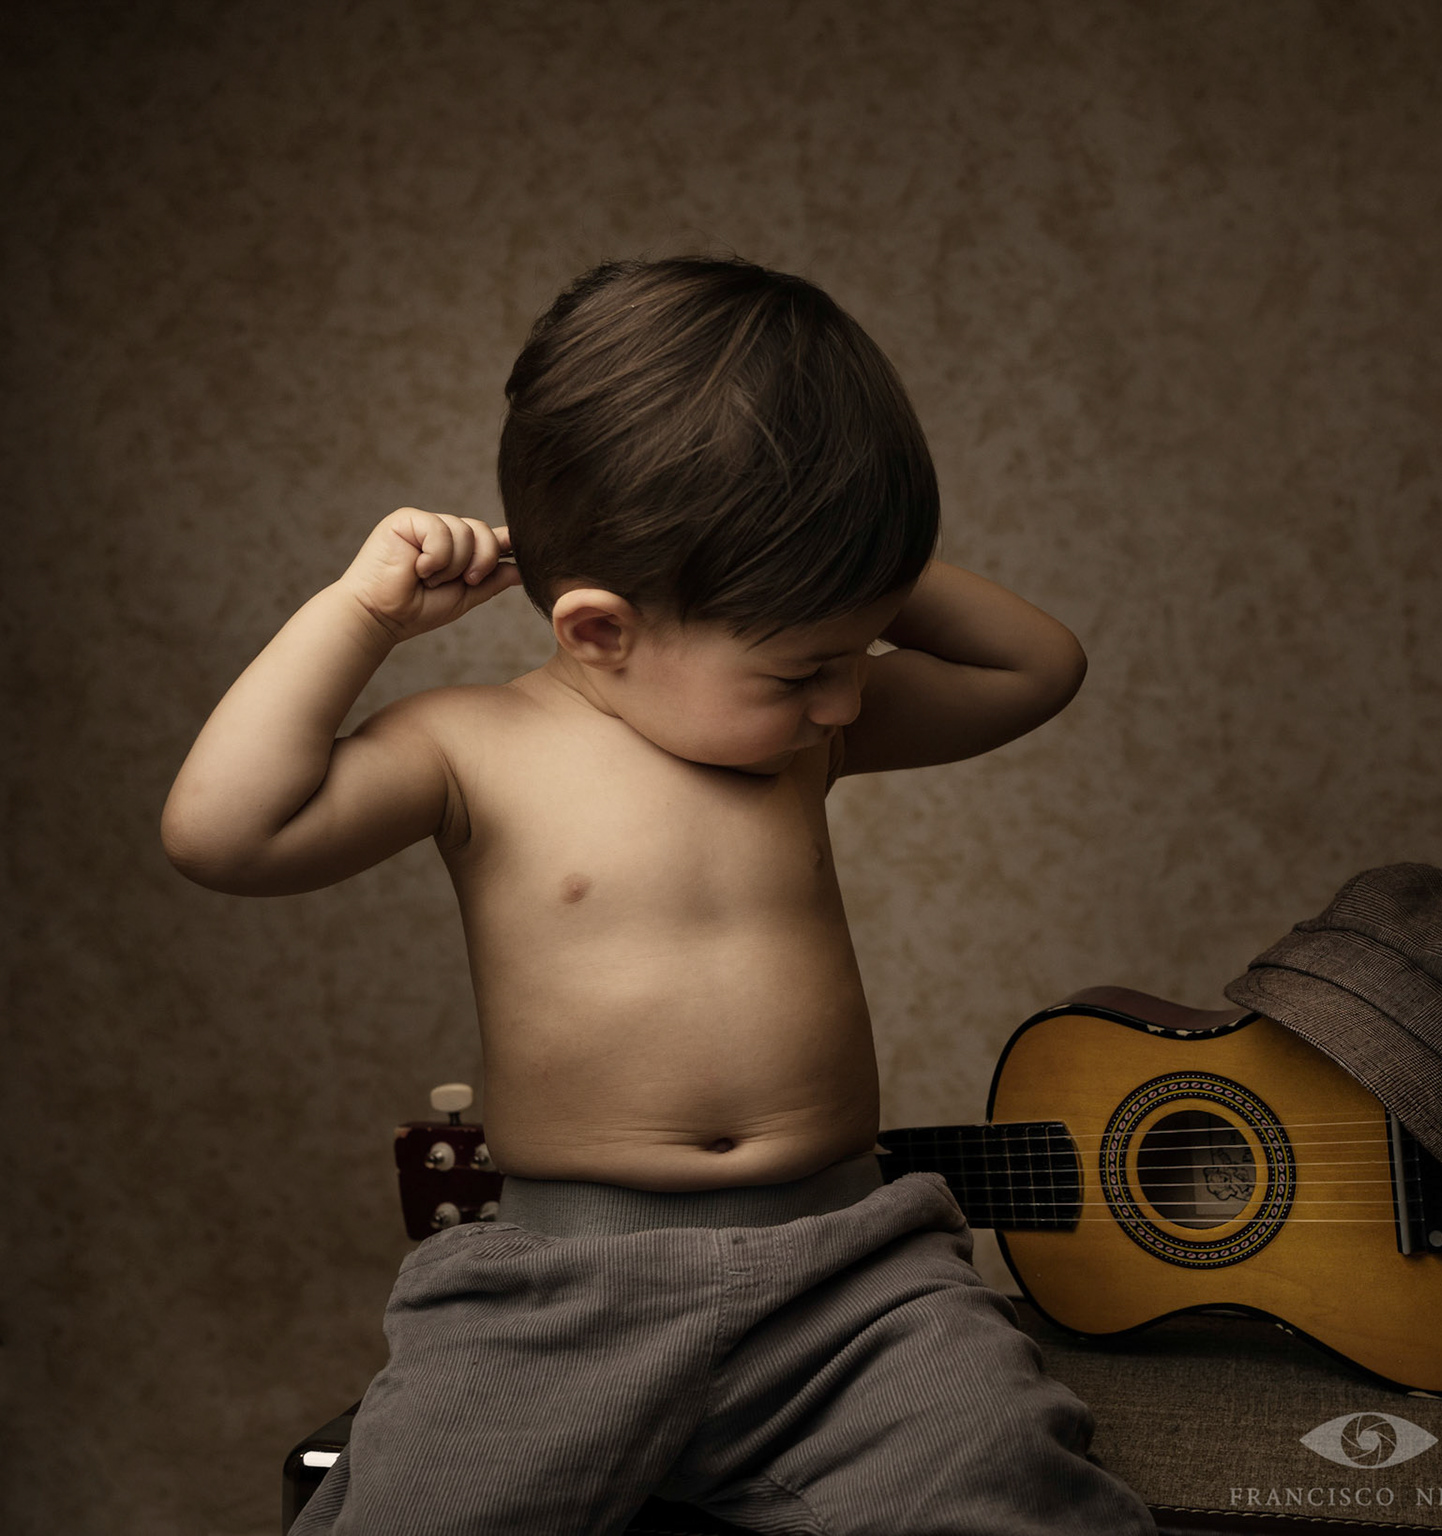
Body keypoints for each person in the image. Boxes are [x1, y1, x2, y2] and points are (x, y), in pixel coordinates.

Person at [162, 257, 1156, 1535]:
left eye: (860, 649)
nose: (848, 696)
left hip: (853, 1285)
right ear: (598, 631)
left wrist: (838, 556)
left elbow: (1037, 668)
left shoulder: (809, 734)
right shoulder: (467, 746)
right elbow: (224, 835)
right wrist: (360, 616)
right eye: (805, 667)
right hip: (561, 1295)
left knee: (1006, 1478)